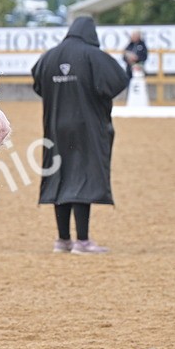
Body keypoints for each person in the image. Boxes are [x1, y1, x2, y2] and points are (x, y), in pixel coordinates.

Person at [31, 16, 129, 255]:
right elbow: (119, 80)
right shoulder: (93, 56)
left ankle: (63, 240)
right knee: (82, 177)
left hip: (55, 127)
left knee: (60, 178)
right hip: (86, 127)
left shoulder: (49, 56)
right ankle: (82, 241)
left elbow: (38, 83)